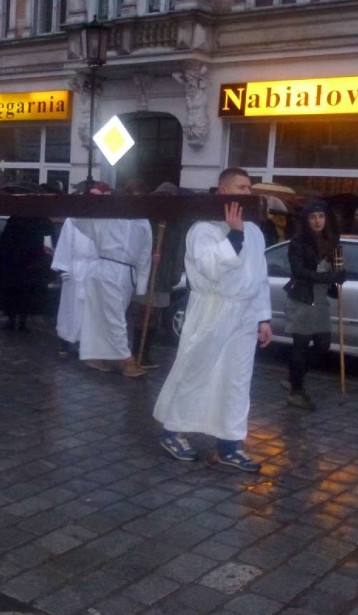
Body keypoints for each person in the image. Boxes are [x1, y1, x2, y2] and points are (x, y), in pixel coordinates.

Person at [153, 167, 271, 472]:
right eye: (240, 188)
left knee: (236, 380)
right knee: (196, 370)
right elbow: (209, 267)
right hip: (212, 309)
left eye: (249, 188)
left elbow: (259, 276)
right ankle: (172, 430)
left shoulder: (255, 231)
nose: (247, 193)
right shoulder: (202, 228)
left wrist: (263, 318)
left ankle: (230, 443)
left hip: (243, 314)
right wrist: (233, 237)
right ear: (223, 192)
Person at [73, 181, 152, 378]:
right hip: (106, 268)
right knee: (114, 316)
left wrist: (141, 284)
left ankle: (95, 355)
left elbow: (145, 254)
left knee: (106, 315)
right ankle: (126, 359)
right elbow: (80, 220)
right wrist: (89, 201)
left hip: (126, 273)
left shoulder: (143, 222)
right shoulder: (107, 215)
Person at [282, 200, 346, 410]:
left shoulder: (332, 242)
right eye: (313, 217)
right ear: (306, 220)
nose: (318, 221)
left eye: (321, 216)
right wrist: (327, 276)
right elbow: (298, 271)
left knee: (323, 344)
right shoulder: (298, 242)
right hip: (301, 297)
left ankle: (294, 377)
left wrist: (339, 277)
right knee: (300, 345)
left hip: (320, 299)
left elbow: (336, 268)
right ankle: (296, 391)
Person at [128, 181, 191, 369]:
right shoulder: (147, 219)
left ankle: (144, 354)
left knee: (154, 314)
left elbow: (178, 250)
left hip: (163, 276)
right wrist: (149, 255)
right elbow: (136, 243)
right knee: (146, 311)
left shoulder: (177, 222)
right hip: (148, 273)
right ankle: (137, 353)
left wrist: (174, 272)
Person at [0, 213, 55, 332]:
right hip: (18, 262)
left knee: (25, 293)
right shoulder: (19, 219)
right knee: (16, 293)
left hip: (28, 262)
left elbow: (49, 230)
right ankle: (14, 320)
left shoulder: (37, 219)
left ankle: (20, 321)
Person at [52, 216, 97, 357]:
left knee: (90, 309)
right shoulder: (72, 220)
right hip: (75, 269)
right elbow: (65, 243)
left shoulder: (103, 220)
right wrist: (63, 268)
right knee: (70, 307)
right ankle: (64, 340)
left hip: (95, 269)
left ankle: (84, 342)